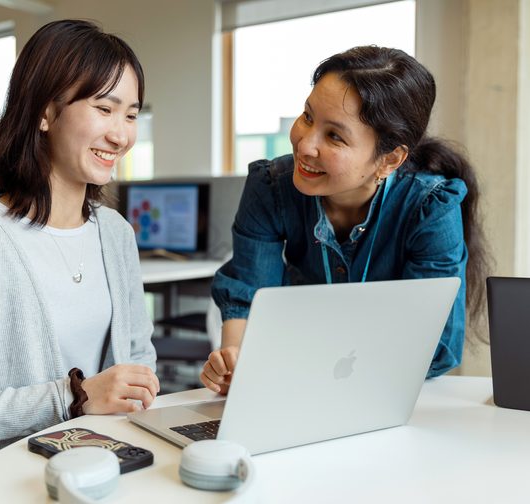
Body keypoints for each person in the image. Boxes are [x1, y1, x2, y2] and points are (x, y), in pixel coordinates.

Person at [0, 19, 159, 493]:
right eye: (105, 108)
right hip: (3, 488)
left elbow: (138, 357)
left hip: (98, 478)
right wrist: (70, 398)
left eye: (132, 114)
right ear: (44, 112)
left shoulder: (117, 235)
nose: (121, 135)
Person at [201, 46, 488, 395]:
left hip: (391, 392)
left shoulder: (430, 208)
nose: (305, 145)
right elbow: (247, 293)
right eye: (307, 117)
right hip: (295, 383)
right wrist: (236, 362)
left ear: (390, 159)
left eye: (334, 136)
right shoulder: (271, 186)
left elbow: (434, 345)